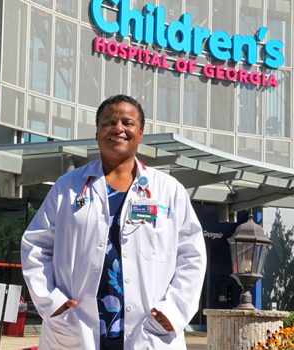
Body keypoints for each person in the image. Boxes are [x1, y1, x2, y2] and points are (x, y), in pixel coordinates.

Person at [21, 94, 207, 350]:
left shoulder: (168, 191)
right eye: (109, 122)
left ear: (140, 134)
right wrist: (51, 302)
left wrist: (174, 310)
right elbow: (35, 245)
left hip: (149, 330)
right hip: (76, 328)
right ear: (98, 132)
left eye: (127, 123)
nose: (118, 128)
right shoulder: (68, 187)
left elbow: (192, 256)